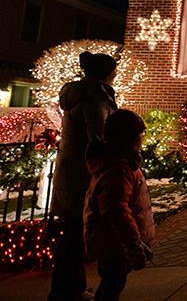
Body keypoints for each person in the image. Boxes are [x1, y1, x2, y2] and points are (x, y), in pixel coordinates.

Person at [49, 51, 118, 301]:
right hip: (83, 175)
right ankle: (64, 292)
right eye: (114, 70)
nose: (116, 73)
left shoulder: (77, 94)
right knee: (77, 236)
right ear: (106, 73)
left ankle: (69, 289)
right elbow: (99, 137)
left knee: (73, 235)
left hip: (71, 172)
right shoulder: (94, 98)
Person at [84, 110, 155, 301]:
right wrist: (133, 245)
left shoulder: (122, 164)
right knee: (112, 284)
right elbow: (117, 212)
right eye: (139, 135)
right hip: (112, 243)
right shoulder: (119, 170)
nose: (142, 140)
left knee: (113, 282)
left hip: (114, 243)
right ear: (128, 138)